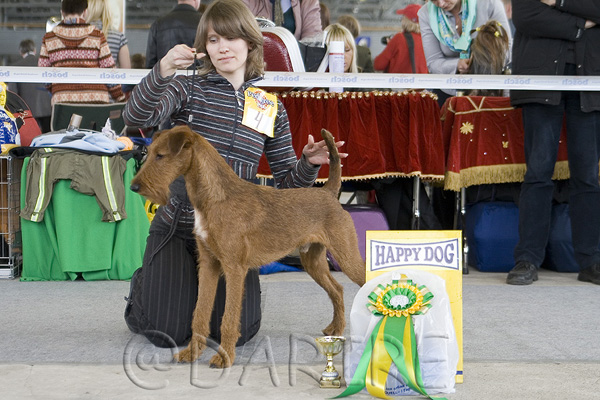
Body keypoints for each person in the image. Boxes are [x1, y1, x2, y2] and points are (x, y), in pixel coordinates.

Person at [122, 0, 346, 346]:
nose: (223, 47)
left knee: (242, 333)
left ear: (251, 43)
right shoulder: (187, 88)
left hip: (234, 236)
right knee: (165, 332)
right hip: (180, 228)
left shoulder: (269, 105)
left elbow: (287, 182)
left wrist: (308, 164)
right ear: (204, 47)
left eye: (231, 38)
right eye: (213, 40)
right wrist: (162, 69)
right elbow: (137, 118)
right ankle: (147, 283)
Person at [506, 0, 600, 286]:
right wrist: (579, 24)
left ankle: (591, 260)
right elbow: (526, 15)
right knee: (538, 173)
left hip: (590, 80)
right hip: (541, 79)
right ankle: (528, 259)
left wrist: (558, 3)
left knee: (587, 177)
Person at [418, 0, 511, 106]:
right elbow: (433, 62)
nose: (441, 4)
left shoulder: (489, 3)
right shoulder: (425, 13)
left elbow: (507, 48)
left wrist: (480, 64)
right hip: (448, 93)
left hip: (490, 90)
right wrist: (457, 65)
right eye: (433, 0)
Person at [38, 0, 125, 105]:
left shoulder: (49, 38)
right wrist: (120, 98)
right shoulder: (97, 35)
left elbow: (43, 74)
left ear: (62, 12)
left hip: (63, 101)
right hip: (96, 101)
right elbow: (109, 72)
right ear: (85, 12)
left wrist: (57, 88)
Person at [8, 40, 52, 133]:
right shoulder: (46, 66)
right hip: (47, 109)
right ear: (35, 50)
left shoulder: (15, 67)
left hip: (26, 112)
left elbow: (12, 93)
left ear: (21, 52)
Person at [145, 0, 202, 69]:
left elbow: (150, 63)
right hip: (197, 78)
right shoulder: (204, 23)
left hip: (166, 78)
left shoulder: (158, 23)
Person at [374, 4, 428, 74]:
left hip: (398, 83)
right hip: (421, 83)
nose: (401, 19)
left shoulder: (399, 38)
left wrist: (390, 46)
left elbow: (378, 65)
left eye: (403, 17)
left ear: (407, 20)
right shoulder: (428, 41)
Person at [243, 0, 322, 41]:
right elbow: (240, 31)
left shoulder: (308, 1)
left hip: (296, 64)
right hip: (256, 63)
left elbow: (312, 40)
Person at [86, 0, 131, 68]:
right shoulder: (119, 37)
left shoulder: (79, 35)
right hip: (109, 78)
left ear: (85, 11)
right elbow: (127, 70)